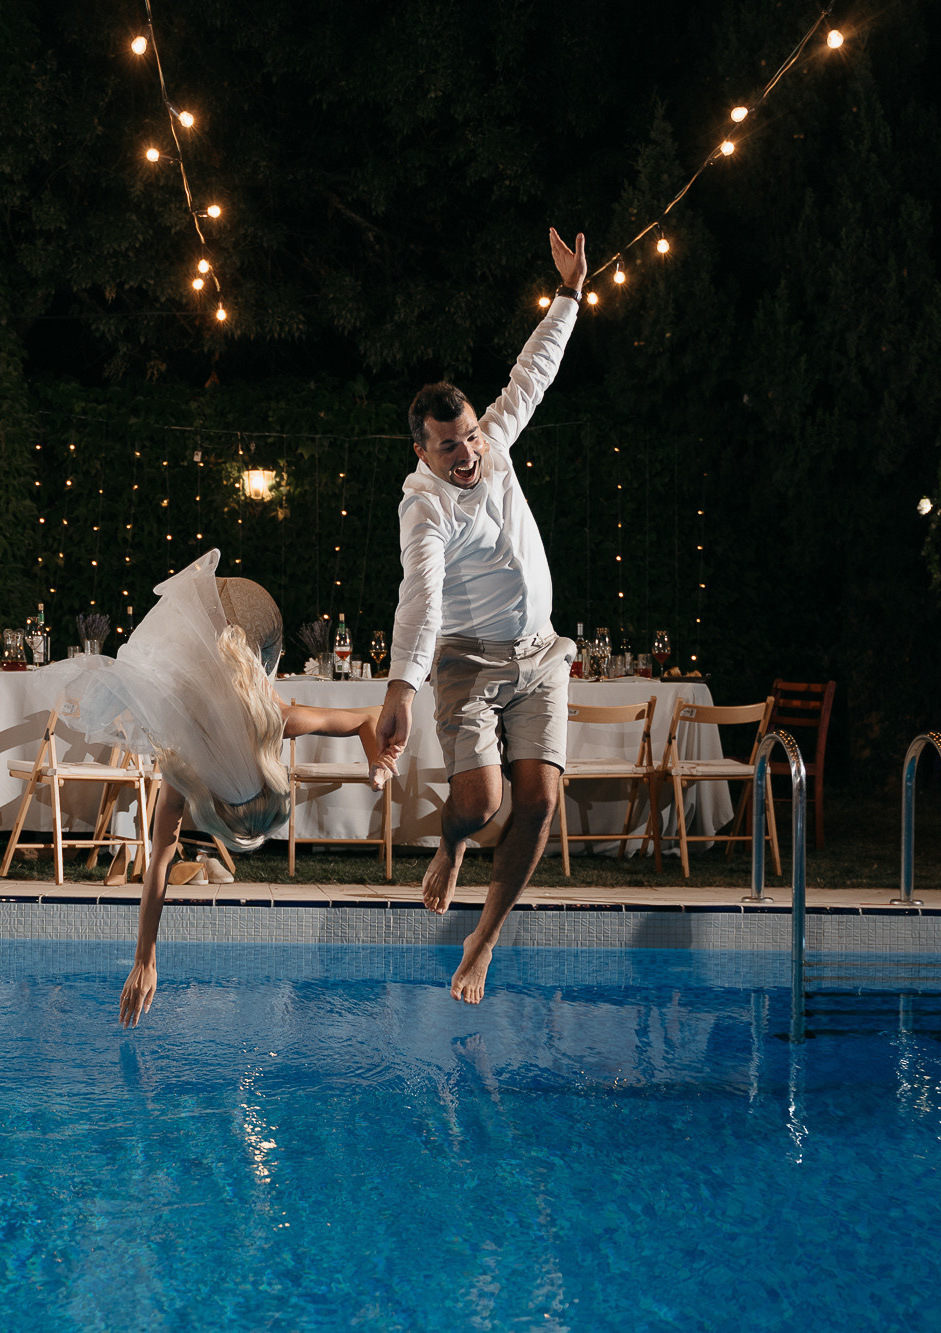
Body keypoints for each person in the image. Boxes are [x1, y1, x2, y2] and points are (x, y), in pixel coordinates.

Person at [374, 226, 591, 1006]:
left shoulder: (494, 442)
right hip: (468, 660)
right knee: (482, 804)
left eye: (469, 436)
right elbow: (422, 594)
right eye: (449, 445)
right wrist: (402, 686)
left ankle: (483, 940)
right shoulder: (423, 505)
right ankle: (453, 844)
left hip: (540, 654)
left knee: (537, 801)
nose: (467, 453)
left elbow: (531, 375)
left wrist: (568, 293)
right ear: (422, 452)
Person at [58, 551, 396, 1026]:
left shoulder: (273, 724)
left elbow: (368, 718)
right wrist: (143, 959)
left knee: (249, 686)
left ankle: (239, 664)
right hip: (245, 614)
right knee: (245, 681)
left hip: (224, 622)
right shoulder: (204, 756)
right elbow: (160, 857)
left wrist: (376, 761)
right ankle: (239, 662)